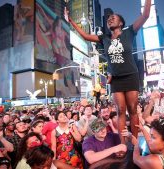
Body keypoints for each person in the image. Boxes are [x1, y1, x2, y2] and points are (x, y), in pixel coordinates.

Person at [64, 0, 152, 143]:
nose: (110, 19)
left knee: (133, 109)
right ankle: (123, 143)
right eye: (109, 19)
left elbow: (146, 15)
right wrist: (71, 21)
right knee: (120, 110)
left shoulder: (129, 32)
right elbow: (86, 36)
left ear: (121, 23)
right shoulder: (104, 38)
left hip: (131, 75)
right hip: (116, 78)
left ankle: (135, 141)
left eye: (114, 18)